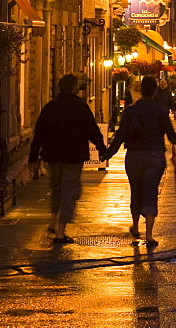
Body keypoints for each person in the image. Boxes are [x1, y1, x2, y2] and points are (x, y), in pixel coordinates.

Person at [28, 74, 108, 244]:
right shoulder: (80, 107)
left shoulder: (51, 107)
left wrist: (33, 157)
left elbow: (39, 133)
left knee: (56, 187)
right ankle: (60, 232)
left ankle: (53, 220)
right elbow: (92, 130)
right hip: (73, 156)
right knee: (69, 190)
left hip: (53, 156)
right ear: (74, 88)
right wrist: (102, 149)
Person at [103, 76, 176, 248]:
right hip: (154, 156)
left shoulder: (131, 111)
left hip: (134, 156)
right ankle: (150, 235)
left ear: (140, 90)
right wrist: (173, 137)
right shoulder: (160, 111)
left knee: (136, 190)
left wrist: (107, 154)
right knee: (150, 192)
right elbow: (172, 136)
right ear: (154, 92)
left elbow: (120, 135)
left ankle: (136, 226)